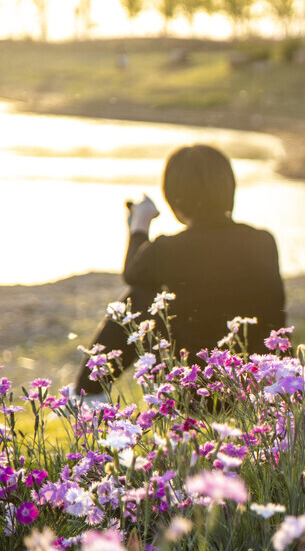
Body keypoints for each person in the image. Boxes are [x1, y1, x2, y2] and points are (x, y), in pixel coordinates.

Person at [73, 144, 286, 404]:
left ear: (175, 199)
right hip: (258, 385)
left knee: (139, 297)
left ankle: (89, 391)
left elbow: (133, 273)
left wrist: (139, 225)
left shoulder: (168, 250)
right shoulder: (262, 242)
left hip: (190, 387)